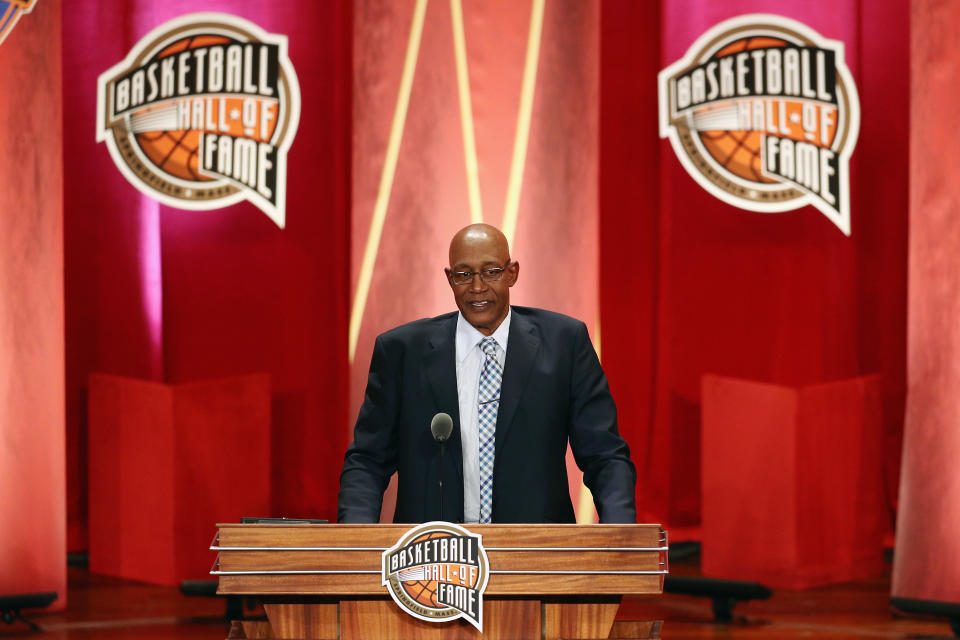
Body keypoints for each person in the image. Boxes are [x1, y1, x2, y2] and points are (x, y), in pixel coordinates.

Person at [338, 223, 636, 524]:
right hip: (432, 557)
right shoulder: (402, 352)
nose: (477, 287)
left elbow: (605, 455)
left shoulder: (564, 344)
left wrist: (623, 541)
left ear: (512, 273)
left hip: (536, 555)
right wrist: (354, 547)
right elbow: (368, 462)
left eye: (491, 271)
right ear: (449, 278)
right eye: (464, 274)